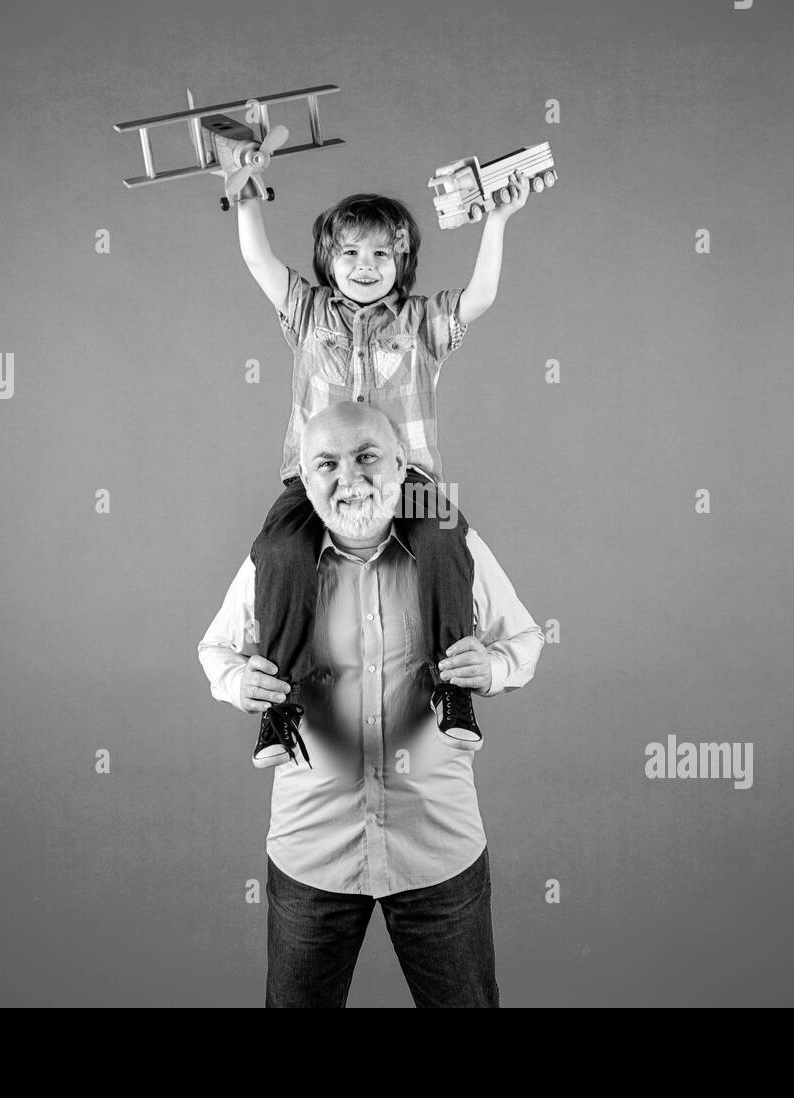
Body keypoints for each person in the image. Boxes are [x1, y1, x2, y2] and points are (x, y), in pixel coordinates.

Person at [198, 402, 544, 1007]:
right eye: (326, 464)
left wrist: (490, 668)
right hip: (314, 850)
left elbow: (525, 638)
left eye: (367, 457)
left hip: (437, 846)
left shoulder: (454, 552)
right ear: (304, 481)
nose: (349, 478)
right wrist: (237, 683)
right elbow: (216, 651)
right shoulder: (274, 564)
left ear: (402, 465)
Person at [234, 175, 533, 767]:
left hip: (406, 481)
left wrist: (495, 223)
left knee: (446, 539)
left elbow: (480, 297)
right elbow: (256, 257)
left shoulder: (422, 322)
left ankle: (453, 692)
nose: (364, 265)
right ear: (327, 260)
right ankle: (280, 705)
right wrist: (245, 193)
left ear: (402, 260)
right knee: (280, 551)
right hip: (315, 483)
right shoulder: (307, 312)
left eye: (381, 253)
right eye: (348, 252)